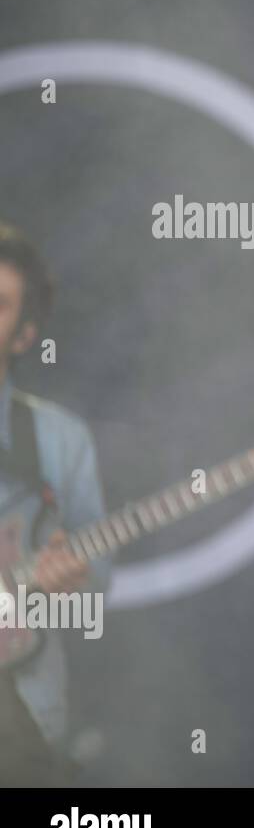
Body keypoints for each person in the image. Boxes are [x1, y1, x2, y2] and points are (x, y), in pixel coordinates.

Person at [0, 222, 112, 786]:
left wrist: (71, 582)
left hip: (23, 722)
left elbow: (97, 594)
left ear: (25, 335)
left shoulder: (61, 439)